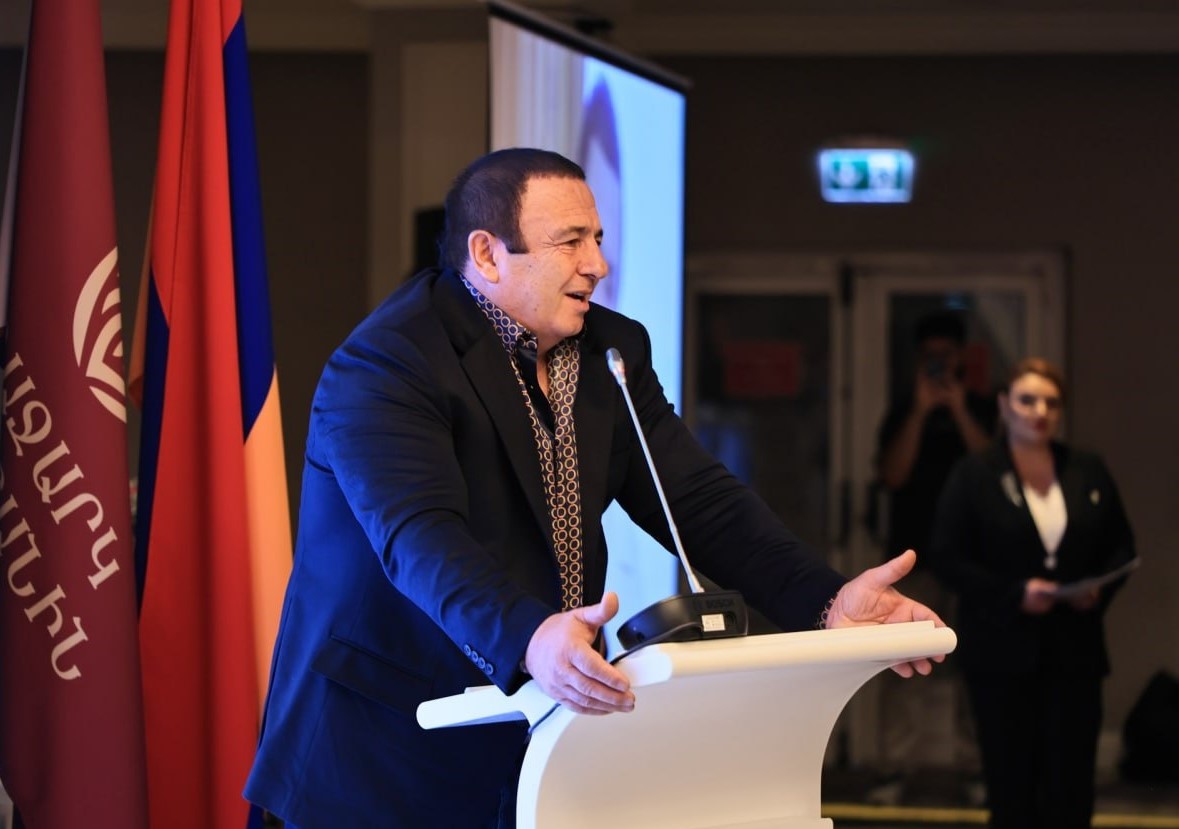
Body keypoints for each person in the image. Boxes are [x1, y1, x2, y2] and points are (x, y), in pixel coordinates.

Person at [244, 148, 945, 828]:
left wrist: (824, 601)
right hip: (383, 751)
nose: (598, 265)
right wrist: (527, 637)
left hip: (544, 745)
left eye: (599, 239)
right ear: (487, 254)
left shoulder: (613, 349)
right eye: (570, 241)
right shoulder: (388, 361)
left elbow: (698, 501)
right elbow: (419, 538)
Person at [928, 357, 1136, 829]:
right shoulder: (975, 473)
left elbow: (1122, 547)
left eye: (1051, 402)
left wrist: (1096, 590)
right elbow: (947, 555)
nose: (1040, 411)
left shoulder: (1086, 468)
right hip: (1001, 650)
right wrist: (1013, 593)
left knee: (1071, 787)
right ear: (1004, 406)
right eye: (1027, 400)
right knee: (1011, 786)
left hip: (1074, 650)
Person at [870, 311, 996, 802]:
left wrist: (959, 410)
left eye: (946, 355)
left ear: (962, 357)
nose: (940, 364)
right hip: (913, 557)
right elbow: (892, 476)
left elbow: (994, 474)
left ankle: (977, 769)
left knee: (976, 666)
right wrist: (921, 413)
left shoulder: (981, 408)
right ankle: (893, 770)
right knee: (904, 665)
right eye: (931, 357)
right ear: (918, 360)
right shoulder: (903, 412)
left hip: (975, 559)